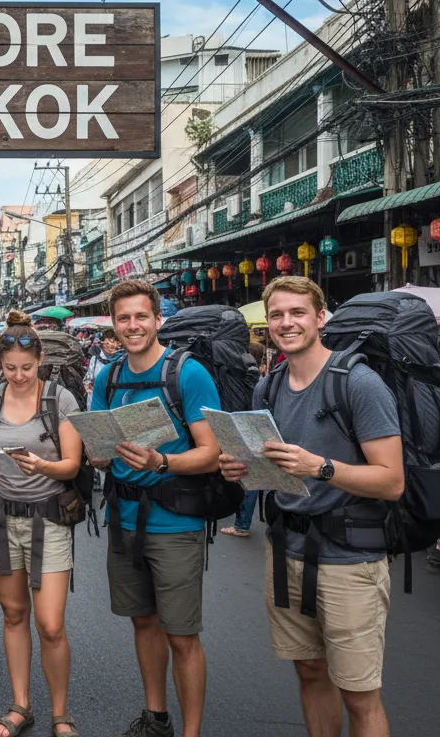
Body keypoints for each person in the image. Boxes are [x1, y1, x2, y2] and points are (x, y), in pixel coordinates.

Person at [219, 276, 403, 737]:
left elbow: (392, 481)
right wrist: (241, 469)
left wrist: (319, 467)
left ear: (321, 318)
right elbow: (273, 471)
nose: (287, 323)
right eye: (277, 315)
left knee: (359, 694)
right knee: (310, 672)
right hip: (286, 550)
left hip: (350, 558)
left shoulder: (358, 383)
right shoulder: (268, 388)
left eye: (298, 312)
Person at [88, 280, 222, 737]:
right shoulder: (108, 378)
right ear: (113, 324)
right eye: (123, 318)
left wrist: (160, 461)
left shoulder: (187, 373)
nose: (133, 326)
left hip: (175, 522)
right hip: (123, 520)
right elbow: (98, 448)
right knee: (143, 622)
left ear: (158, 319)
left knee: (182, 635)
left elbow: (212, 452)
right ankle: (156, 718)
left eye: (141, 316)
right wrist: (99, 453)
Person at [0, 311, 84, 737]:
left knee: (50, 623)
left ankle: (61, 712)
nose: (18, 376)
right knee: (14, 614)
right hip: (0, 517)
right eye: (10, 368)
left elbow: (72, 465)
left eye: (27, 368)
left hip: (48, 518)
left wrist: (43, 466)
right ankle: (21, 704)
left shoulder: (59, 400)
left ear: (40, 361)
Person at [220, 343, 270, 538]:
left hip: (244, 427)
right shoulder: (261, 378)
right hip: (257, 428)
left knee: (246, 477)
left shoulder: (241, 377)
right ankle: (242, 523)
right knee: (252, 477)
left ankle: (241, 524)